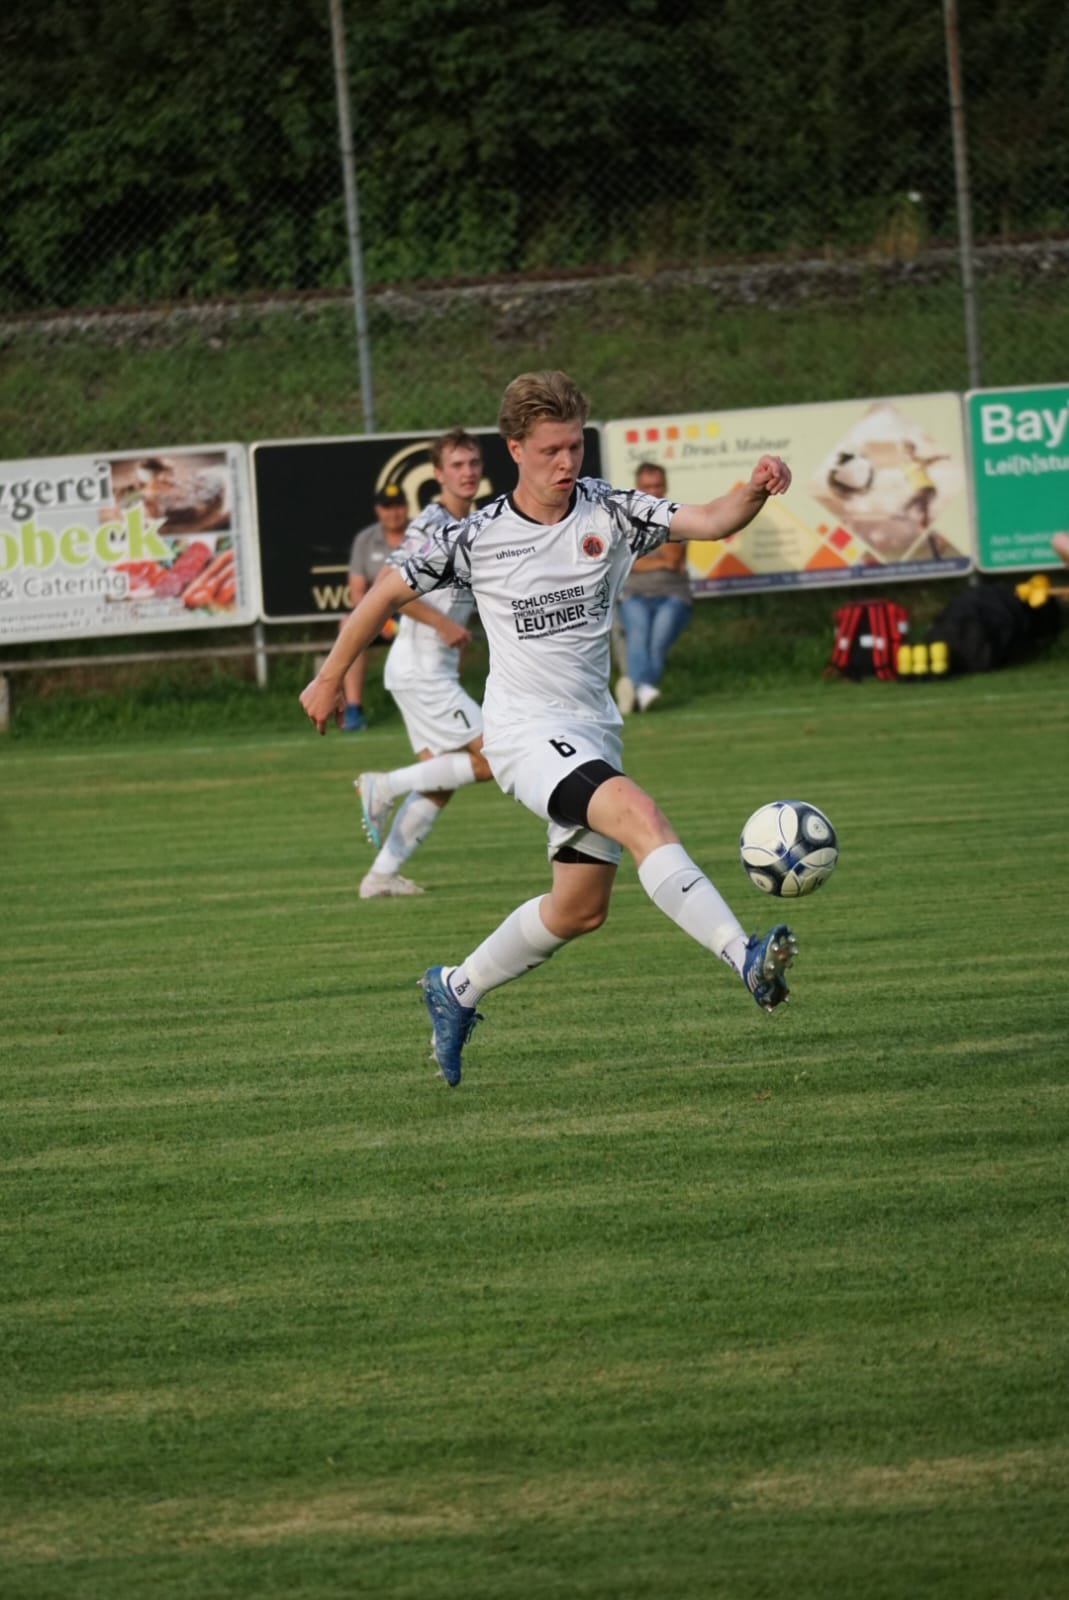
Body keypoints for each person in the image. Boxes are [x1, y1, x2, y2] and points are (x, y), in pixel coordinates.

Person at [300, 370, 796, 1088]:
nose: (566, 464)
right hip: (523, 734)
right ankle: (744, 955)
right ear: (514, 450)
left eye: (575, 447)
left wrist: (755, 488)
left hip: (592, 731)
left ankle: (455, 988)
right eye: (550, 451)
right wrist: (327, 678)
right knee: (640, 815)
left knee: (579, 910)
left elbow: (713, 519)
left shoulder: (611, 511)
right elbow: (382, 593)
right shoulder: (476, 537)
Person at [356, 427, 494, 898]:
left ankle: (380, 877)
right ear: (438, 474)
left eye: (473, 463)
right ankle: (384, 784)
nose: (467, 472)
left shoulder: (472, 522)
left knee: (440, 782)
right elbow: (385, 587)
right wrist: (443, 624)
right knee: (494, 757)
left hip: (423, 670)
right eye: (456, 465)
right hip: (420, 670)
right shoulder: (431, 523)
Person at [614, 460, 693, 714]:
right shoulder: (623, 521)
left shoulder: (677, 518)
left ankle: (636, 688)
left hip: (673, 596)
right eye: (647, 487)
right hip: (634, 594)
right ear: (637, 488)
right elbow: (623, 564)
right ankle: (643, 690)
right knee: (638, 636)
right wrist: (654, 562)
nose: (653, 492)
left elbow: (672, 559)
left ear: (665, 486)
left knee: (657, 642)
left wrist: (641, 559)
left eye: (658, 486)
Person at [341, 483, 409, 730]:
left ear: (406, 507)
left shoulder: (420, 533)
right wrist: (383, 622)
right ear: (378, 510)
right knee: (348, 625)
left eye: (398, 506)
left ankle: (446, 698)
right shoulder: (365, 540)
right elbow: (357, 592)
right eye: (387, 507)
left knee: (450, 625)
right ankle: (353, 708)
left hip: (418, 614)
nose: (393, 513)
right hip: (381, 616)